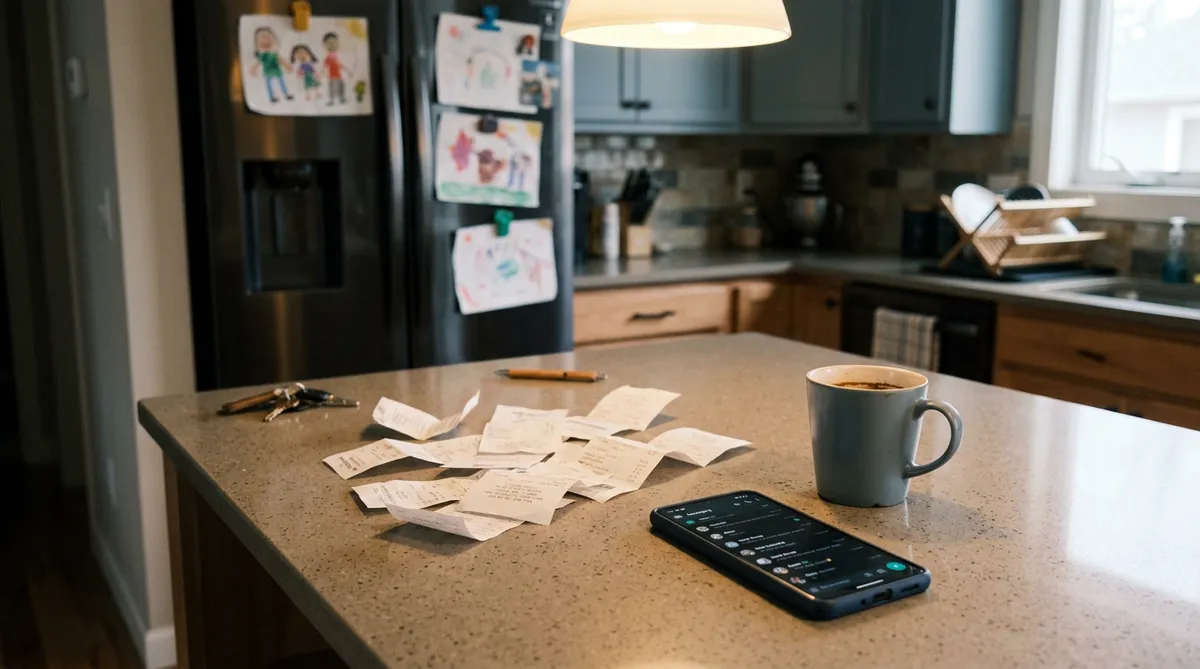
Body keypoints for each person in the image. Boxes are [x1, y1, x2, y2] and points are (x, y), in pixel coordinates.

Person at [249, 27, 292, 103]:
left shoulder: (274, 54)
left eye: (268, 37)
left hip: (277, 70)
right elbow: (258, 63)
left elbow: (281, 60)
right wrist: (254, 69)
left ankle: (286, 94)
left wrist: (287, 66)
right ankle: (272, 97)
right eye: (262, 38)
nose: (265, 40)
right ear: (256, 45)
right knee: (269, 85)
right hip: (268, 72)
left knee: (281, 82)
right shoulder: (262, 55)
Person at [321, 32, 352, 105]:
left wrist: (348, 71)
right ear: (325, 45)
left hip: (339, 75)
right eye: (329, 43)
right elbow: (325, 66)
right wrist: (321, 73)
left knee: (341, 86)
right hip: (332, 76)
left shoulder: (337, 56)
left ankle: (341, 98)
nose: (332, 45)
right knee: (332, 88)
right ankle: (331, 100)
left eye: (334, 43)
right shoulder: (328, 57)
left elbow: (341, 65)